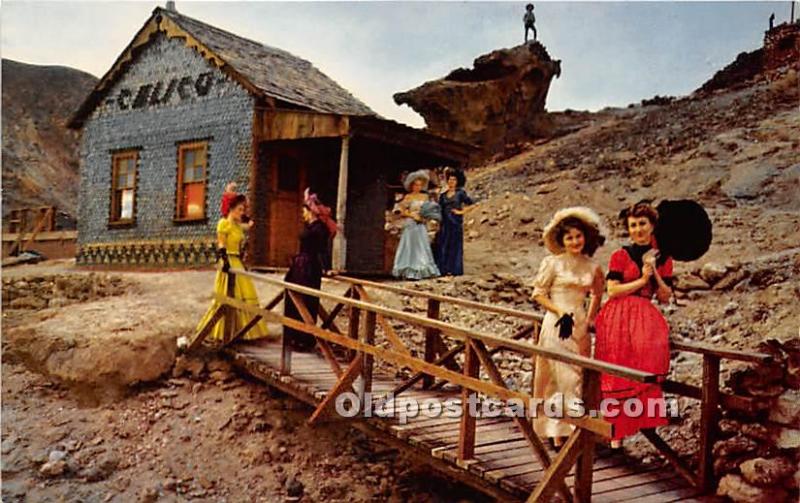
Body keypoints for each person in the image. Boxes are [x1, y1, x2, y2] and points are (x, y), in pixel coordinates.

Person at [594, 201, 673, 449]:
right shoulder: (621, 255)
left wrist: (655, 274)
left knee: (644, 369)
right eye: (633, 225)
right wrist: (642, 279)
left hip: (645, 317)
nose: (638, 229)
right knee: (616, 373)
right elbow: (613, 290)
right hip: (617, 316)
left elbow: (665, 297)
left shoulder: (664, 258)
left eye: (642, 224)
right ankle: (614, 435)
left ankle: (639, 427)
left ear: (652, 226)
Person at [531, 207, 605, 449]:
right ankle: (557, 431)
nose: (574, 241)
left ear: (585, 237)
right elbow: (538, 294)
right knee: (558, 375)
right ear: (562, 240)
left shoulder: (593, 266)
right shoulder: (552, 263)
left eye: (578, 236)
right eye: (569, 237)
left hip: (579, 324)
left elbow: (597, 293)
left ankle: (574, 426)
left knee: (578, 376)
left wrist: (590, 317)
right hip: (556, 322)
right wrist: (559, 311)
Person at [195, 194, 268, 342]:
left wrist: (246, 218)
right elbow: (221, 243)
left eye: (243, 210)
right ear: (232, 209)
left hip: (237, 261)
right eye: (239, 209)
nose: (242, 212)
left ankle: (243, 331)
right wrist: (224, 260)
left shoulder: (237, 226)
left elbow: (250, 224)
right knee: (228, 295)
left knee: (244, 293)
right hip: (228, 260)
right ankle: (221, 331)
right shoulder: (224, 223)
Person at [283, 189, 337, 351]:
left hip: (309, 267)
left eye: (304, 211)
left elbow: (323, 250)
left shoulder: (319, 229)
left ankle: (304, 339)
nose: (302, 214)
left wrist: (328, 268)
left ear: (311, 211)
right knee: (295, 300)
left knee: (306, 301)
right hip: (300, 265)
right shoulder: (310, 226)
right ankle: (293, 337)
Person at [392, 170, 441, 280]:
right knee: (410, 246)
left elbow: (429, 209)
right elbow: (401, 210)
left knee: (422, 246)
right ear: (411, 185)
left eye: (420, 185)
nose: (418, 187)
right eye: (416, 185)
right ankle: (409, 270)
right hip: (411, 223)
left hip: (421, 223)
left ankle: (422, 269)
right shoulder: (408, 197)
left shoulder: (425, 197)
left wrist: (426, 217)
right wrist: (411, 215)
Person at [435, 168, 476, 276]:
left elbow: (472, 204)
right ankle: (443, 269)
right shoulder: (443, 196)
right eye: (449, 180)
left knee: (455, 246)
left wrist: (461, 212)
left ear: (457, 182)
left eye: (453, 180)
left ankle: (455, 270)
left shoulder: (460, 193)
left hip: (455, 223)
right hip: (445, 223)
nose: (451, 182)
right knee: (444, 245)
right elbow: (439, 209)